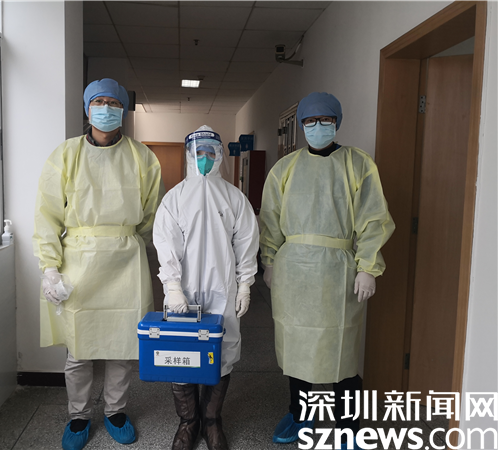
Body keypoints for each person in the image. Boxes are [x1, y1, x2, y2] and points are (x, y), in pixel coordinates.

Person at [32, 78, 164, 450]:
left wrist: (127, 241)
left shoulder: (142, 157)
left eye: (114, 103)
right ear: (87, 108)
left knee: (123, 346)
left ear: (124, 110)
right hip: (78, 261)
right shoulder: (65, 155)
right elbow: (46, 215)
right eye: (99, 102)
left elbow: (152, 214)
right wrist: (50, 267)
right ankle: (78, 416)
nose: (106, 109)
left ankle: (115, 412)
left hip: (126, 260)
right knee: (79, 348)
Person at [259, 92, 395, 450]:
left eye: (325, 120)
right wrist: (269, 261)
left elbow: (374, 218)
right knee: (297, 347)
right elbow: (270, 218)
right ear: (301, 125)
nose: (318, 127)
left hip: (339, 272)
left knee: (342, 352)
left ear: (337, 123)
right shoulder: (284, 168)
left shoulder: (358, 164)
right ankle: (299, 414)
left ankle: (349, 426)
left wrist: (368, 267)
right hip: (293, 272)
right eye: (310, 121)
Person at [153, 126, 260, 450]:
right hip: (182, 291)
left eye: (210, 152)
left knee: (222, 350)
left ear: (219, 156)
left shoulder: (234, 198)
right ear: (189, 155)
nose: (204, 158)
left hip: (222, 289)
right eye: (198, 152)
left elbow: (246, 243)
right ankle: (188, 422)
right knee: (181, 351)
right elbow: (166, 245)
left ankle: (212, 420)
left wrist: (245, 284)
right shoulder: (174, 199)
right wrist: (173, 286)